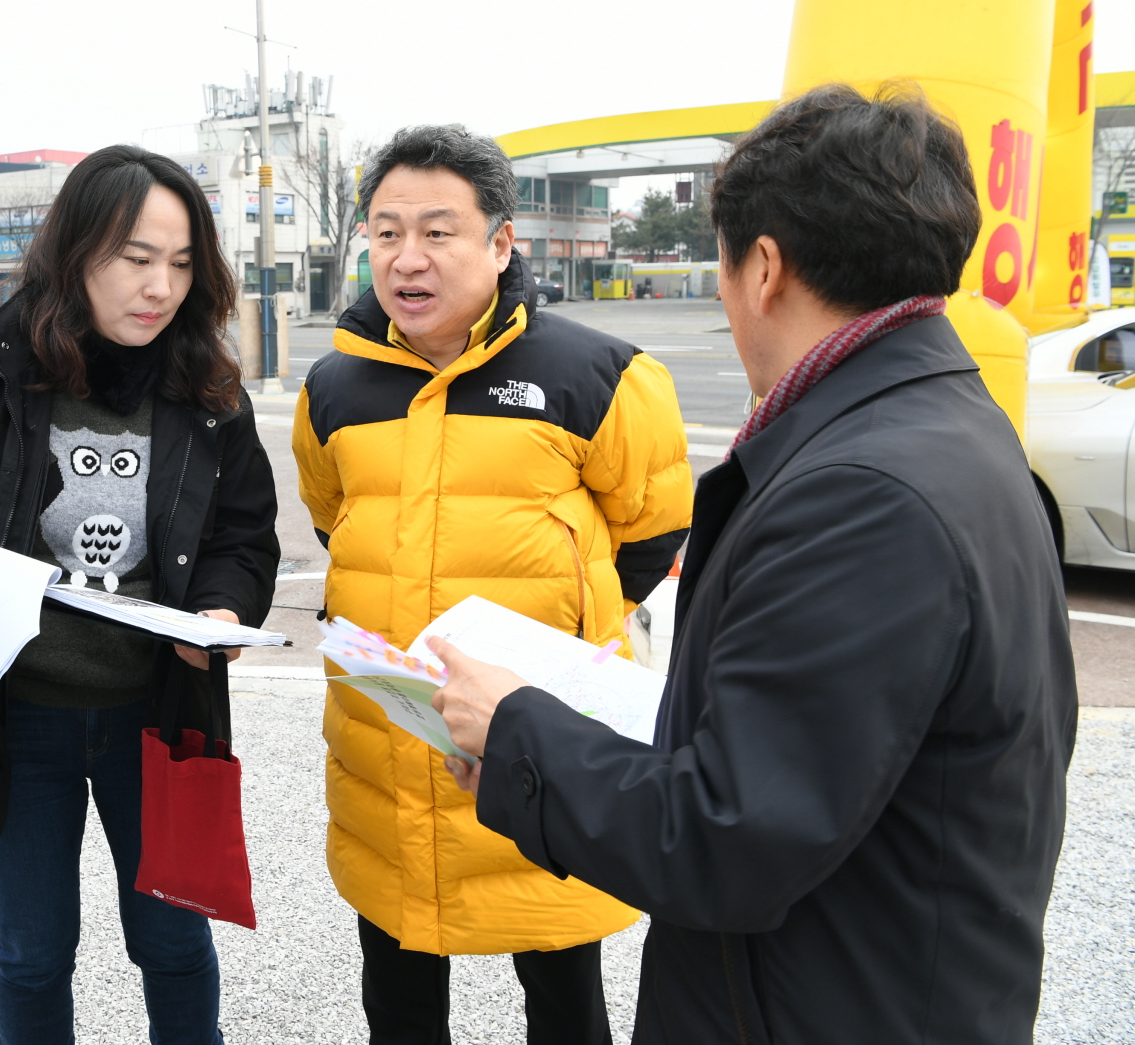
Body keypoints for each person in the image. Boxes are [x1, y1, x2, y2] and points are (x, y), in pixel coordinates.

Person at [430, 84, 1077, 1044]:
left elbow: (727, 839)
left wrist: (516, 727)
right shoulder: (941, 425)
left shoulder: (861, 495)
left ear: (764, 267)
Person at [0, 146, 279, 1044]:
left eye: (182, 263)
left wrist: (223, 611)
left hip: (158, 712)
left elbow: (242, 534)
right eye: (136, 258)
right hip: (15, 723)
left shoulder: (205, 389)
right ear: (76, 250)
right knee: (32, 952)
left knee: (174, 940)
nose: (160, 287)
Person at [291, 124, 693, 1044]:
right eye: (387, 232)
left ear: (501, 243)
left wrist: (571, 625)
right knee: (398, 995)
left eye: (438, 232)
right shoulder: (334, 388)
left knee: (562, 993)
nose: (408, 258)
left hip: (541, 736)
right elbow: (335, 520)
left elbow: (651, 533)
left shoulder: (600, 376)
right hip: (391, 742)